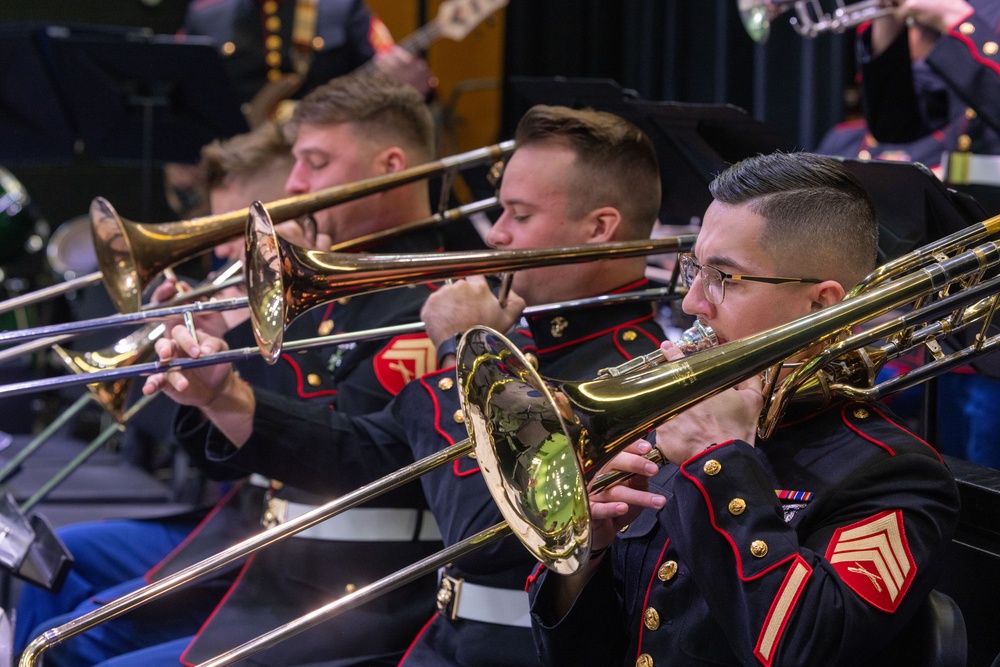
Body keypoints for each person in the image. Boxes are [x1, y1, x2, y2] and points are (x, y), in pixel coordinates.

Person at [144, 104, 671, 666]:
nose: (494, 235)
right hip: (439, 644)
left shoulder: (632, 373)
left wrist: (460, 356)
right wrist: (225, 398)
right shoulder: (524, 338)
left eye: (518, 215)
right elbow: (364, 455)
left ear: (600, 228)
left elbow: (487, 535)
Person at [17, 74, 446, 667]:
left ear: (389, 165)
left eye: (316, 164)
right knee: (56, 606)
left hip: (347, 582)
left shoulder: (430, 298)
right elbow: (227, 452)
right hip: (272, 547)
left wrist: (245, 340)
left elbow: (340, 450)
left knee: (71, 645)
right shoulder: (338, 285)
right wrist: (221, 350)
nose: (296, 186)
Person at [527, 152, 962, 666]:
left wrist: (720, 459)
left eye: (724, 278)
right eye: (695, 269)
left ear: (822, 305)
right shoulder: (669, 433)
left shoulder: (896, 475)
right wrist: (585, 555)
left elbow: (805, 646)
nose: (692, 303)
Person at [11, 120, 297, 660]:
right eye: (220, 243)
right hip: (232, 515)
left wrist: (234, 347)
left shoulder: (325, 307)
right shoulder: (233, 294)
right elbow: (200, 453)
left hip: (274, 544)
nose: (227, 262)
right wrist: (189, 345)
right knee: (47, 558)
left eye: (242, 240)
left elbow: (290, 439)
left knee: (72, 638)